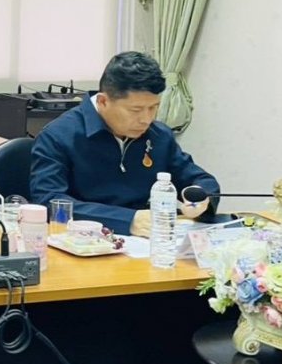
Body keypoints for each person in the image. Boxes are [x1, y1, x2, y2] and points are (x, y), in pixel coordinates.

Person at [30, 51, 220, 237]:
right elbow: (49, 200)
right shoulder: (59, 135)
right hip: (81, 241)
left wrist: (199, 197)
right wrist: (128, 220)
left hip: (146, 241)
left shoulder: (159, 135)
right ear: (103, 101)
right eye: (136, 110)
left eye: (153, 107)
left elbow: (201, 180)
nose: (146, 119)